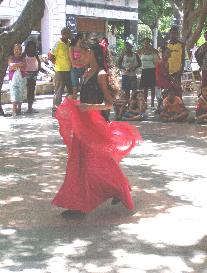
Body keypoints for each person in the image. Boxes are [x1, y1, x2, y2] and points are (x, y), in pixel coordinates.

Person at [52, 39, 141, 214]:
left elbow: (109, 103)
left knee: (94, 162)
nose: (79, 56)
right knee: (82, 162)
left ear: (91, 53)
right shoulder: (87, 72)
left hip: (95, 123)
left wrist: (88, 107)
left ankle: (115, 189)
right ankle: (84, 201)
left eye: (82, 52)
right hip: (84, 122)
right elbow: (73, 61)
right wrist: (77, 103)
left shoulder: (100, 74)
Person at [49, 27, 72, 116]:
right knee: (58, 91)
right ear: (62, 34)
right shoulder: (57, 44)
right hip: (60, 71)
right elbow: (51, 56)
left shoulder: (69, 44)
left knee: (70, 91)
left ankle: (69, 109)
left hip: (69, 71)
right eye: (67, 33)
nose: (68, 35)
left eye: (69, 33)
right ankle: (55, 111)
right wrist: (57, 64)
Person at [137, 37, 159, 108]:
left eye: (147, 42)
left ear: (149, 43)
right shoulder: (140, 51)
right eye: (145, 42)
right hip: (144, 70)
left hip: (152, 70)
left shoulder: (154, 50)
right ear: (143, 43)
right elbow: (136, 59)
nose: (146, 44)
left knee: (152, 87)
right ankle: (145, 102)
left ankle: (152, 103)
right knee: (145, 88)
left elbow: (158, 59)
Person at [8, 43, 26, 117]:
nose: (18, 51)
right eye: (16, 49)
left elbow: (24, 65)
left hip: (22, 79)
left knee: (20, 94)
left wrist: (15, 65)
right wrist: (19, 65)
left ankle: (19, 109)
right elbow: (11, 65)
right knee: (14, 93)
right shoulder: (10, 57)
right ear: (13, 50)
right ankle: (14, 110)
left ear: (21, 50)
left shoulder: (23, 58)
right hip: (13, 79)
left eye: (19, 49)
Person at [23, 41, 41, 113]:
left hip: (33, 74)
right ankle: (27, 107)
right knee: (27, 91)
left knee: (32, 91)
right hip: (26, 75)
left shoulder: (35, 54)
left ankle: (30, 107)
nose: (31, 47)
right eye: (30, 46)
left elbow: (39, 63)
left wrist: (37, 71)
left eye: (33, 46)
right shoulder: (24, 54)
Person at [69, 32, 85, 99]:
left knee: (83, 88)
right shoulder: (71, 48)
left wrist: (77, 61)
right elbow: (72, 61)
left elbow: (84, 60)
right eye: (83, 39)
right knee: (74, 89)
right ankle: (74, 105)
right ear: (79, 39)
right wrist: (80, 61)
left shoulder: (83, 48)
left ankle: (82, 104)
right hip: (74, 69)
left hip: (82, 69)